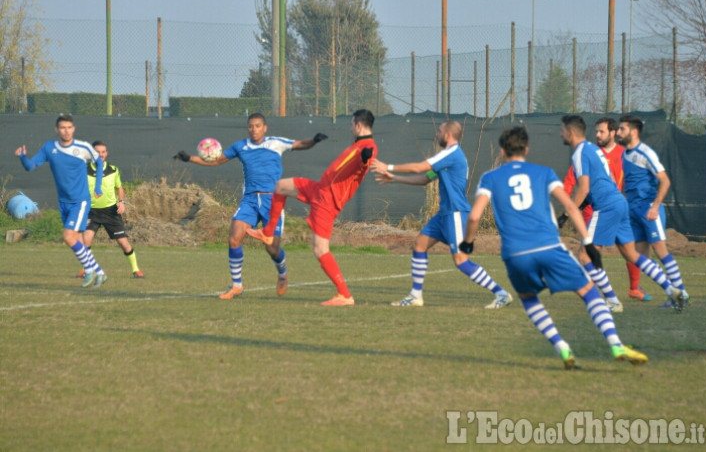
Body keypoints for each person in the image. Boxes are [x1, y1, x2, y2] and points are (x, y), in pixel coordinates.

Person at [462, 126, 648, 369]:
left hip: (515, 253)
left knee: (529, 300)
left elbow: (475, 216)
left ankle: (562, 348)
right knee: (589, 291)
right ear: (526, 149)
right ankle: (615, 344)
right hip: (549, 246)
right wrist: (588, 242)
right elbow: (571, 208)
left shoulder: (489, 177)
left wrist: (468, 242)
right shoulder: (544, 173)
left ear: (502, 151)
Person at [174, 112, 327, 299]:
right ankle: (237, 285)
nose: (254, 130)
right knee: (234, 238)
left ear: (265, 128)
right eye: (251, 126)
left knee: (272, 248)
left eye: (257, 126)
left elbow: (300, 144)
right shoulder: (241, 146)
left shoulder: (275, 143)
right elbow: (216, 161)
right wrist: (189, 158)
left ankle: (282, 272)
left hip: (273, 201)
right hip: (250, 201)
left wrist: (314, 140)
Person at [370, 120, 512, 308]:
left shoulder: (452, 154)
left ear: (447, 134)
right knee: (419, 245)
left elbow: (419, 167)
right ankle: (415, 296)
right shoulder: (446, 159)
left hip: (455, 214)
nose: (436, 134)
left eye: (439, 131)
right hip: (444, 215)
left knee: (461, 261)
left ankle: (501, 294)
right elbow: (424, 179)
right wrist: (394, 179)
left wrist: (388, 167)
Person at [246, 109, 377, 306]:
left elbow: (365, 161)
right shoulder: (359, 144)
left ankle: (345, 295)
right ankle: (268, 232)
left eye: (351, 124)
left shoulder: (367, 146)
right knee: (280, 187)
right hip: (319, 189)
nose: (350, 128)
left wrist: (366, 157)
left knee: (320, 249)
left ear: (358, 125)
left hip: (328, 201)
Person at [560, 114, 685, 312]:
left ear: (571, 132)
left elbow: (583, 188)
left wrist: (567, 213)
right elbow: (606, 178)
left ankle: (613, 301)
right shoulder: (594, 150)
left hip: (607, 206)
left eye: (562, 131)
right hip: (620, 202)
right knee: (631, 254)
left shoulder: (580, 153)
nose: (561, 134)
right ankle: (671, 290)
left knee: (585, 256)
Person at [559, 117, 649, 302]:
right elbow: (573, 178)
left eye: (601, 131)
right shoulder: (591, 151)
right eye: (597, 131)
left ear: (613, 133)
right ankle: (601, 294)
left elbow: (632, 179)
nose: (597, 135)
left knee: (626, 249)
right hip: (593, 208)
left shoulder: (624, 154)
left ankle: (631, 289)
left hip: (614, 205)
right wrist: (568, 203)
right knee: (590, 252)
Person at [15, 115, 109, 288]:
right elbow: (30, 166)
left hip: (79, 201)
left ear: (74, 129)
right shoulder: (49, 148)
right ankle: (101, 273)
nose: (66, 130)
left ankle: (88, 270)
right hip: (63, 202)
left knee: (67, 236)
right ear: (56, 130)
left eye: (69, 127)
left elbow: (100, 162)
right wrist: (23, 157)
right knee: (77, 239)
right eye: (63, 127)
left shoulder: (83, 147)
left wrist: (97, 187)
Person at [617, 114, 690, 308]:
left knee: (661, 252)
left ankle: (680, 292)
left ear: (633, 132)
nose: (618, 132)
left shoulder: (645, 152)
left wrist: (655, 206)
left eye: (622, 129)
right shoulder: (625, 154)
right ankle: (672, 292)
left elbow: (665, 181)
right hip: (633, 211)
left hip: (649, 209)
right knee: (640, 258)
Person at [75, 141, 144, 279]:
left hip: (110, 212)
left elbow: (119, 187)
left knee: (123, 243)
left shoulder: (113, 170)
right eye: (97, 152)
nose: (101, 154)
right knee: (86, 240)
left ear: (106, 153)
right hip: (91, 211)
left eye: (103, 152)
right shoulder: (84, 169)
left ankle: (136, 270)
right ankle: (86, 269)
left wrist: (122, 202)